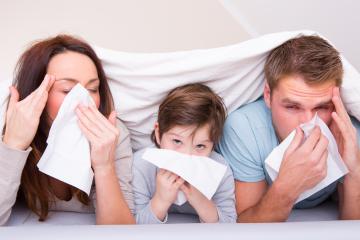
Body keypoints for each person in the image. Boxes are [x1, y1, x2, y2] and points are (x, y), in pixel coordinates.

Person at [217, 35, 360, 222]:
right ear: (268, 95)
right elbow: (246, 226)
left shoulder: (349, 132)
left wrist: (354, 173)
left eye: (321, 107)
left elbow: (352, 228)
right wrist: (288, 186)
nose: (307, 122)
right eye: (292, 107)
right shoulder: (244, 128)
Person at [0, 35, 135, 225]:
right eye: (67, 90)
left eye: (93, 89)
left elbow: (122, 233)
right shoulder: (12, 127)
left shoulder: (112, 133)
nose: (82, 100)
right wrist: (13, 144)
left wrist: (104, 167)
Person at [133, 83, 236, 223]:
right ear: (158, 133)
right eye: (176, 141)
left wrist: (202, 202)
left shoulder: (219, 170)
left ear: (213, 146)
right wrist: (160, 201)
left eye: (200, 146)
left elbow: (231, 228)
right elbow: (132, 228)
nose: (186, 156)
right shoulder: (142, 166)